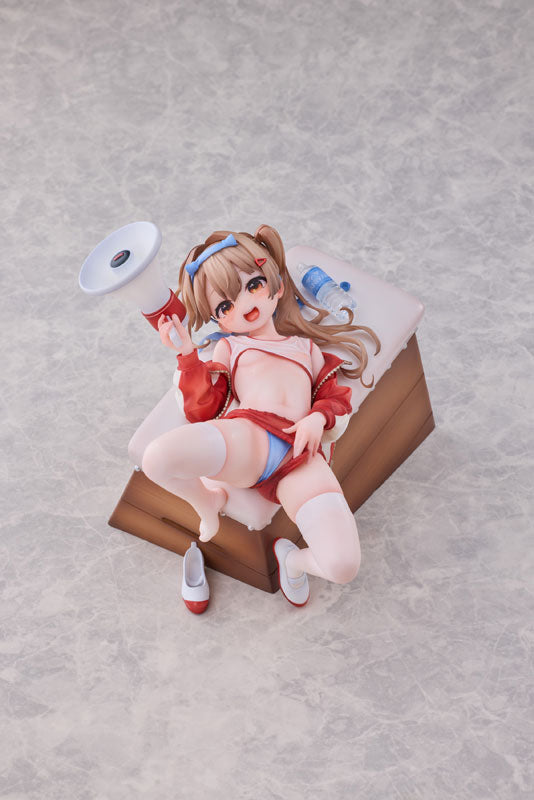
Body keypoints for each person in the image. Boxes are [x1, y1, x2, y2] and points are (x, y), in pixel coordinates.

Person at [141, 225, 381, 606]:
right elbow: (202, 408)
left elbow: (335, 398)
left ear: (276, 285)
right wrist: (186, 353)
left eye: (253, 285)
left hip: (300, 458)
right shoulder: (231, 347)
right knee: (155, 458)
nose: (243, 304)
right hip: (247, 438)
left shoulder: (307, 348)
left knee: (343, 565)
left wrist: (317, 418)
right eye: (225, 307)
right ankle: (206, 503)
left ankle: (293, 562)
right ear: (220, 321)